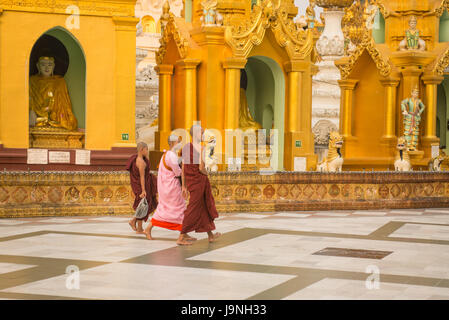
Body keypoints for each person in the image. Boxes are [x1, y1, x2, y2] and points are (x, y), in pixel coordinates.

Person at [144, 135, 196, 244]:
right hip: (172, 188)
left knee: (170, 209)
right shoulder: (171, 156)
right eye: (178, 142)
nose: (180, 144)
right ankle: (149, 229)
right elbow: (178, 172)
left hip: (167, 187)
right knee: (179, 209)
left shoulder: (167, 154)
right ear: (173, 143)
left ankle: (183, 232)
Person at [179, 124, 221, 245]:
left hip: (192, 182)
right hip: (199, 181)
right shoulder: (203, 148)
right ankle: (181, 237)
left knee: (203, 207)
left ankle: (210, 235)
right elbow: (201, 168)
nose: (203, 135)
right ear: (197, 134)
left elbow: (183, 168)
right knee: (193, 208)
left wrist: (184, 186)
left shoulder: (186, 148)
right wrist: (208, 173)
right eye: (202, 133)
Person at [126, 142, 158, 234]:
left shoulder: (139, 159)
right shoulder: (141, 162)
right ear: (141, 149)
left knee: (142, 205)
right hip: (141, 186)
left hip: (139, 185)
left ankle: (139, 228)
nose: (147, 151)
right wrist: (143, 190)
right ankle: (133, 221)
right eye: (146, 149)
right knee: (143, 205)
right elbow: (142, 177)